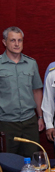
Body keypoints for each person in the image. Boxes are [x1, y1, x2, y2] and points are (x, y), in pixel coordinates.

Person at [0, 27, 45, 157]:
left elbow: (36, 90)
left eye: (20, 40)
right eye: (12, 40)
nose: (17, 44)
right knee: (7, 163)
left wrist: (40, 116)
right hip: (6, 123)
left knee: (33, 160)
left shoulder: (31, 63)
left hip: (29, 122)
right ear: (4, 42)